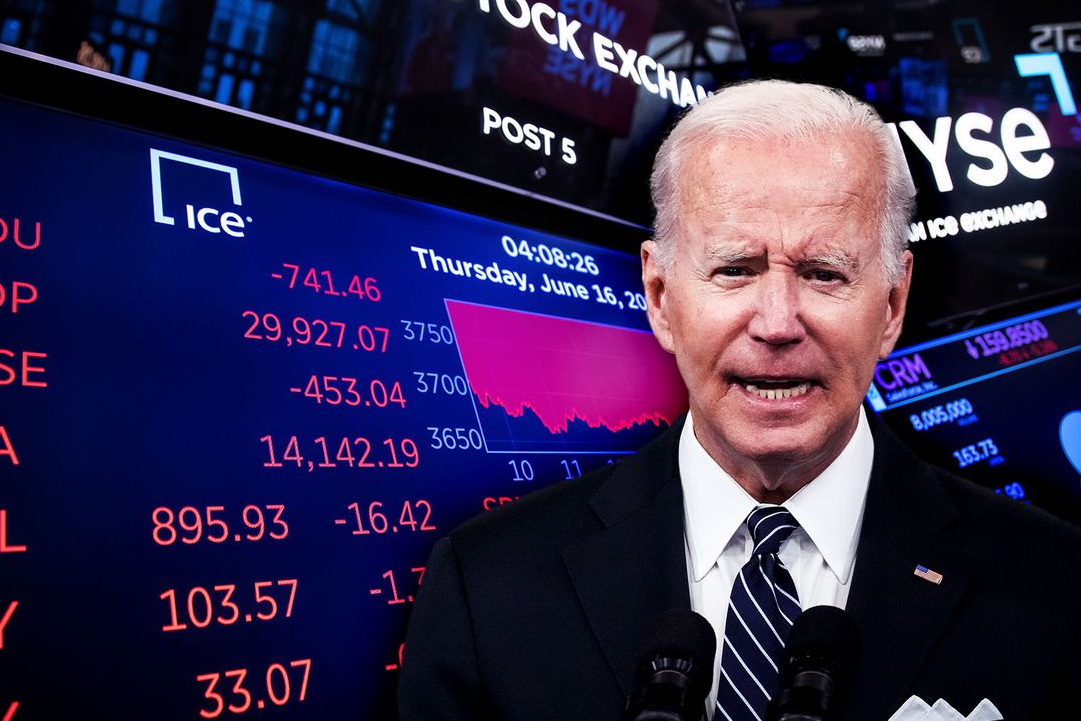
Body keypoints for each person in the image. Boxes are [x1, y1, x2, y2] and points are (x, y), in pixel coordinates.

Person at [396, 81, 1081, 721]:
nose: (777, 323)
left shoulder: (1057, 585)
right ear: (661, 299)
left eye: (823, 273)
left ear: (893, 304)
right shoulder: (487, 585)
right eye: (734, 270)